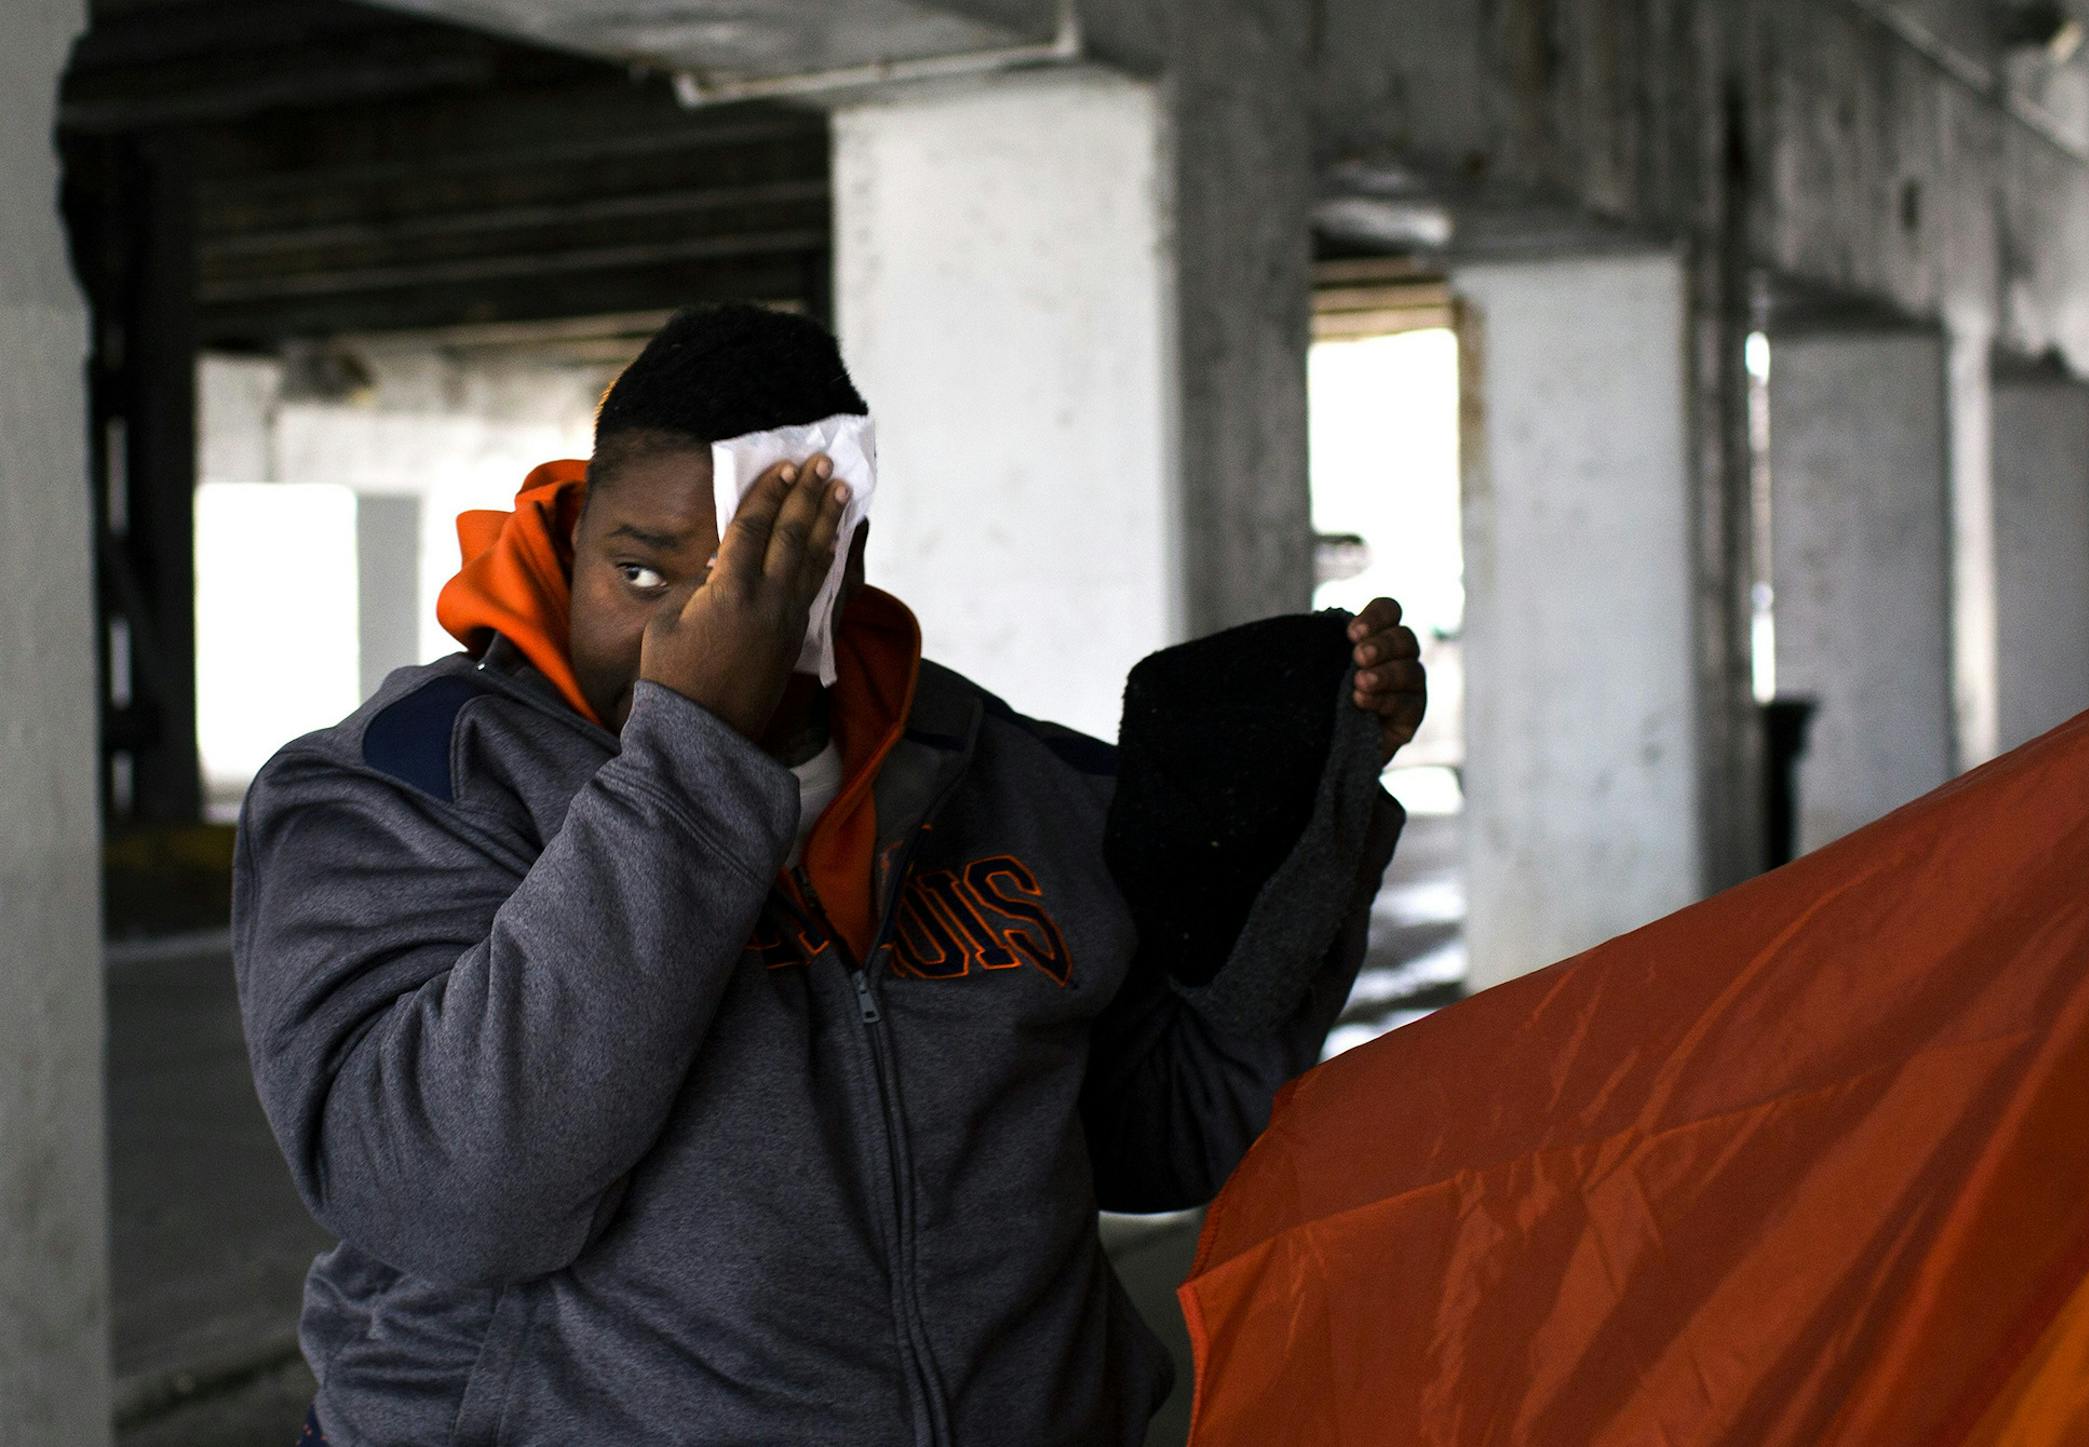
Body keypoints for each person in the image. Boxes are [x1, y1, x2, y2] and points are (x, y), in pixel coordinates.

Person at [234, 303, 1427, 1446]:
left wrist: (1289, 843)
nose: (682, 630)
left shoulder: (1009, 782)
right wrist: (694, 753)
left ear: (842, 569)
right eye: (639, 574)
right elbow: (450, 1196)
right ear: (575, 530)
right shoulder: (406, 786)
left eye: (760, 577)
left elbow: (1168, 1134)